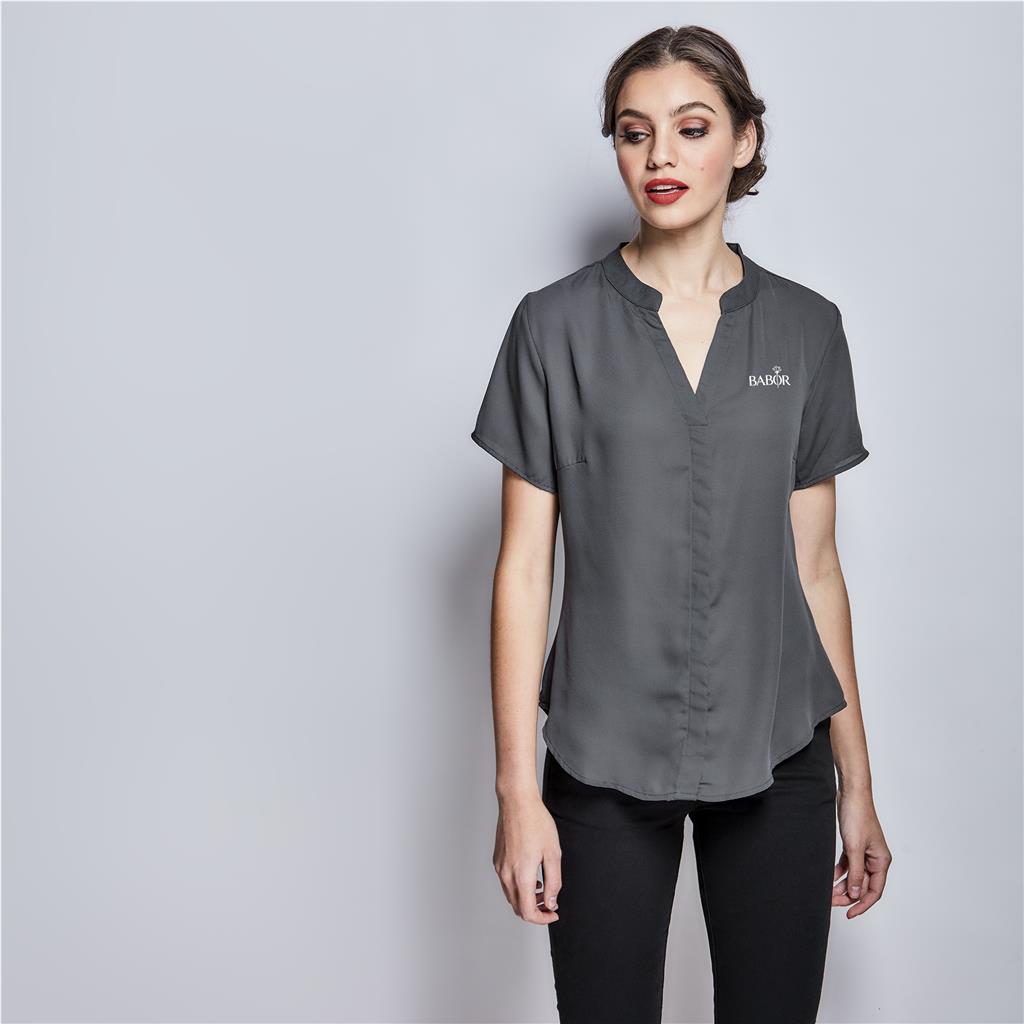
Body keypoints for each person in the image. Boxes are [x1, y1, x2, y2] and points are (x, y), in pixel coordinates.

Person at [470, 25, 893, 1024]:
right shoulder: (553, 327)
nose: (659, 155)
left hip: (778, 751)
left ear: (744, 140)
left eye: (691, 127)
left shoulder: (807, 328)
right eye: (634, 131)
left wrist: (858, 784)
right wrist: (517, 796)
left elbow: (816, 568)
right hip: (601, 756)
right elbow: (523, 570)